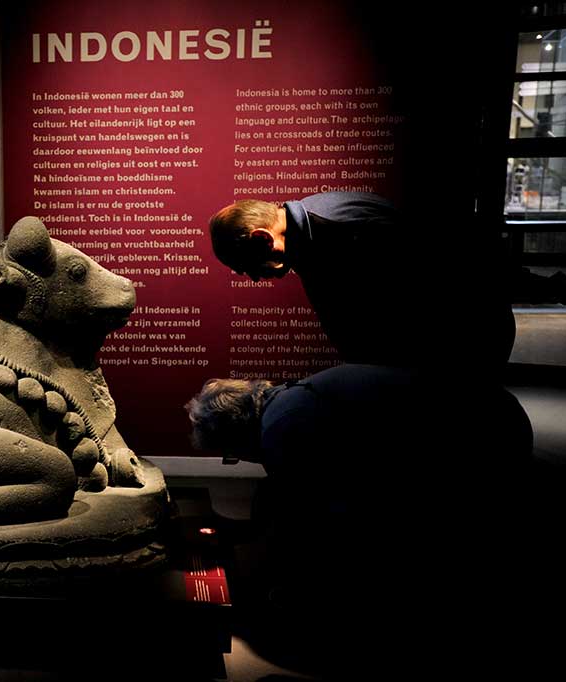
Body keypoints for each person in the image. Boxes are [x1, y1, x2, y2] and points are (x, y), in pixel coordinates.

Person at [186, 363, 535, 675]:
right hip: (495, 414)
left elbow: (323, 521)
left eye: (229, 451)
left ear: (236, 431)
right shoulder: (290, 403)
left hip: (483, 440)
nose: (238, 458)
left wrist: (298, 593)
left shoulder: (284, 426)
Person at [208, 192, 516, 375]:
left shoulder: (340, 231)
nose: (256, 278)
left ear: (263, 237)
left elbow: (436, 283)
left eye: (249, 266)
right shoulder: (314, 227)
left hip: (454, 352)